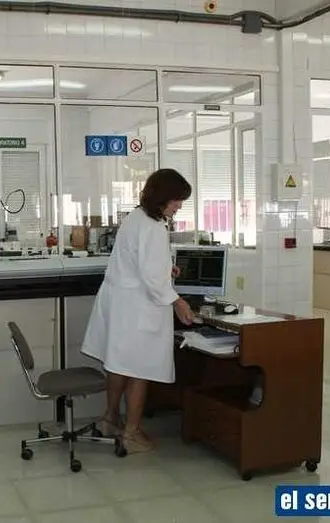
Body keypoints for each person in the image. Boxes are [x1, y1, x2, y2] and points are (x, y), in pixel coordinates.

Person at [81, 168, 195, 453]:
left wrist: (165, 268)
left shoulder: (136, 217)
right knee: (139, 368)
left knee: (118, 363)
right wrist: (178, 301)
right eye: (178, 200)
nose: (179, 206)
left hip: (122, 303)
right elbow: (152, 277)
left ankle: (110, 418)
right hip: (138, 308)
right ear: (164, 197)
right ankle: (131, 432)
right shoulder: (153, 226)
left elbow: (139, 262)